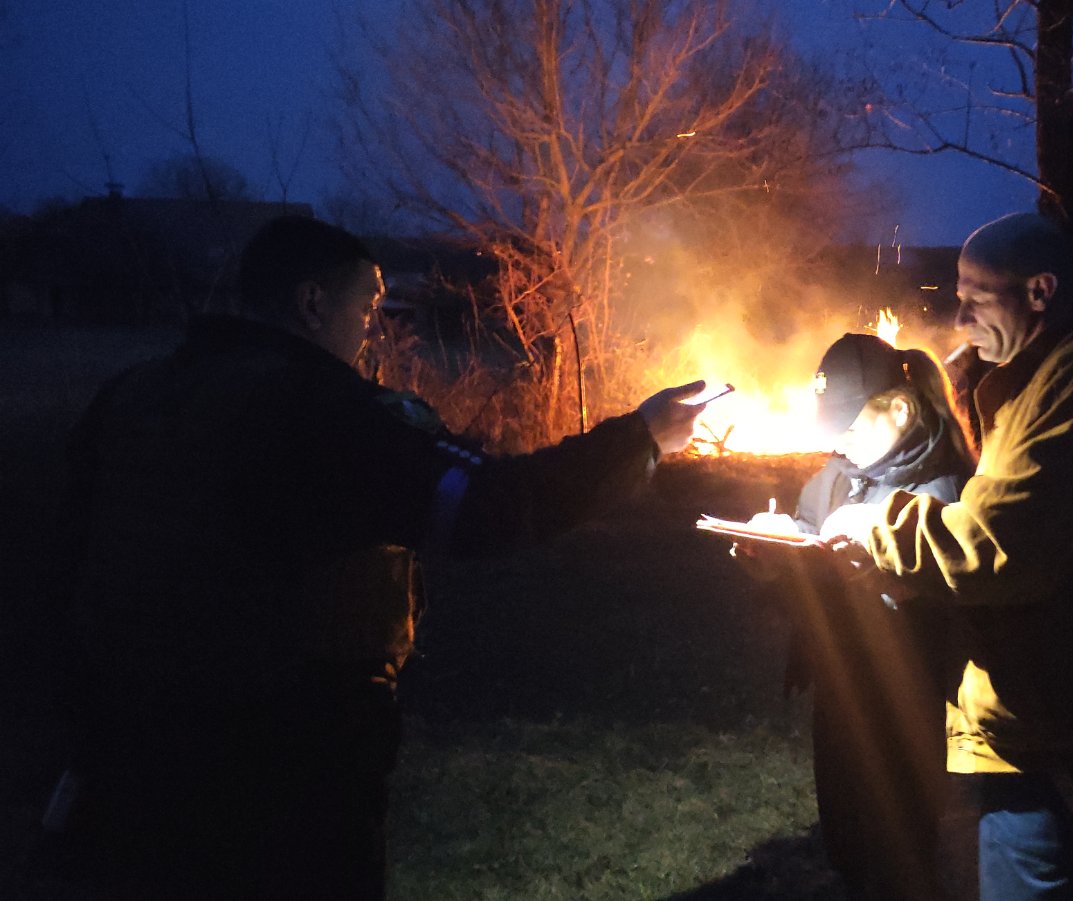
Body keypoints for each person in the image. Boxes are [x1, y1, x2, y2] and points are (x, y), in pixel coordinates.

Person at [39, 215, 707, 901]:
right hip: (285, 762)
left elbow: (62, 563)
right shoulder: (322, 409)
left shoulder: (132, 395)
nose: (370, 328)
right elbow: (486, 505)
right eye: (365, 306)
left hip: (128, 752)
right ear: (312, 302)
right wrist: (640, 439)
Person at [821, 213, 1073, 901]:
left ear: (1040, 291)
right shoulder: (1040, 380)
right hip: (1050, 714)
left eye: (977, 298)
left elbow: (999, 547)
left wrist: (877, 527)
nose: (959, 318)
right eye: (958, 297)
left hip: (1059, 724)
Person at [736, 333, 975, 901]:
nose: (839, 441)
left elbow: (951, 599)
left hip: (908, 699)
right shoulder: (840, 473)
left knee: (900, 850)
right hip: (840, 685)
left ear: (900, 409)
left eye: (849, 424)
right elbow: (809, 536)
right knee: (845, 839)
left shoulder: (944, 491)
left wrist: (878, 575)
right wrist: (775, 558)